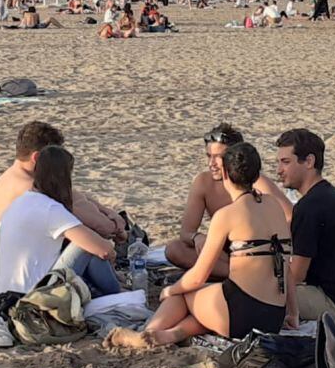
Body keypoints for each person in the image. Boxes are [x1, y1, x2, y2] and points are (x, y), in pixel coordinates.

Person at [106, 143, 294, 348]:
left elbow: (198, 276)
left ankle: (147, 333)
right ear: (257, 174)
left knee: (183, 295)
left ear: (225, 174)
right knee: (207, 305)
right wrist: (293, 312)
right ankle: (171, 334)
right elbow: (285, 266)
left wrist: (171, 290)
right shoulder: (274, 206)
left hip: (239, 316)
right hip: (273, 317)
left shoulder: (227, 214)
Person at [0, 122, 127, 297]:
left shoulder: (22, 187)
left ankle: (114, 290)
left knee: (82, 239)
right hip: (27, 292)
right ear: (37, 158)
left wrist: (107, 212)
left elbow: (80, 198)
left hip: (4, 279)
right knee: (85, 243)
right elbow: (101, 238)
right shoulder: (41, 201)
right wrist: (116, 227)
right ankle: (118, 293)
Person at [166, 124, 292, 278]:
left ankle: (239, 276)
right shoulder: (203, 182)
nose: (211, 163)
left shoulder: (256, 182)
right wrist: (197, 238)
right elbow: (186, 232)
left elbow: (290, 217)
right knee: (174, 249)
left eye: (218, 157)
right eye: (209, 156)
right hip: (224, 253)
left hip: (254, 251)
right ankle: (238, 275)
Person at [275, 129, 335, 322]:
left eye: (286, 162)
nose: (279, 170)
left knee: (258, 297)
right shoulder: (333, 196)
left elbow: (296, 275)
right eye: (278, 162)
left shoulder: (309, 207)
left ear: (309, 162)